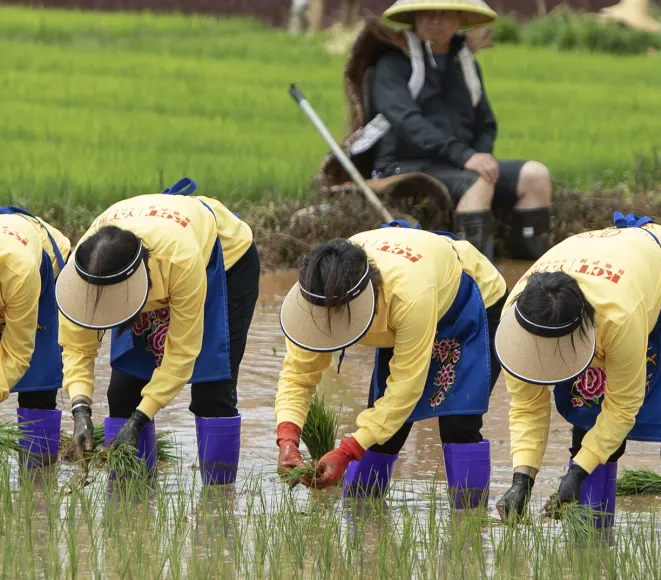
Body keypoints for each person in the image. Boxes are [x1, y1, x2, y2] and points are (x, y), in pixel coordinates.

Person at [493, 213, 661, 538]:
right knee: (588, 424)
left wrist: (576, 472)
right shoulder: (518, 319)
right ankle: (589, 551)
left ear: (584, 335)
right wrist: (522, 479)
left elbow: (622, 407)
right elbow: (527, 406)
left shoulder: (617, 317)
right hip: (621, 270)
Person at [274, 221, 507, 510]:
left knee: (459, 423)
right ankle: (361, 510)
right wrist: (287, 439)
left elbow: (405, 389)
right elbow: (298, 374)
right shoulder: (316, 293)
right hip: (414, 291)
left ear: (364, 303)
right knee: (382, 431)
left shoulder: (408, 295)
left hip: (469, 302)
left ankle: (469, 520)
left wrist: (346, 452)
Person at [56, 179, 260, 485]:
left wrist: (140, 420)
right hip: (144, 263)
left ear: (136, 288)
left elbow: (182, 354)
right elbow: (77, 346)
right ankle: (134, 500)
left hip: (226, 262)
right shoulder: (86, 269)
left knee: (212, 393)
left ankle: (219, 500)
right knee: (122, 393)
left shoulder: (180, 258)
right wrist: (80, 407)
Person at [368, 0, 553, 263]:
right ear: (414, 17)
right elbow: (408, 122)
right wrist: (465, 157)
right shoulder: (394, 64)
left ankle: (530, 274)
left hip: (456, 165)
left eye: (444, 14)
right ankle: (478, 282)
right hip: (404, 165)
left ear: (460, 19)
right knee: (478, 182)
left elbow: (486, 124)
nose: (435, 21)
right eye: (428, 13)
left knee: (535, 175)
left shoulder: (466, 64)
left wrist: (480, 156)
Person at [0, 207, 70, 467]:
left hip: (43, 270)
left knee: (37, 384)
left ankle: (39, 481)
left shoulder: (19, 273)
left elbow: (19, 353)